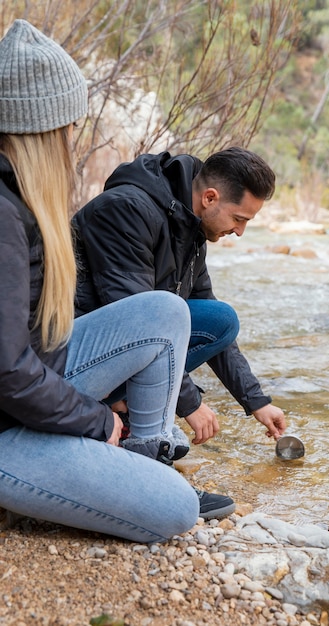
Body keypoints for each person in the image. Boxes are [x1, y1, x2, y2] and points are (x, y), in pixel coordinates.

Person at [0, 19, 234, 544]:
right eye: (68, 125)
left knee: (165, 311)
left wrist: (250, 398)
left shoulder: (20, 198)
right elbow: (7, 373)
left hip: (31, 386)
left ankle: (147, 453)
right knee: (173, 511)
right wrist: (95, 420)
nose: (72, 137)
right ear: (40, 129)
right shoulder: (3, 214)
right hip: (8, 421)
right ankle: (137, 468)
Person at [73, 146, 287, 457]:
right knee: (191, 318)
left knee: (221, 320)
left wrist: (256, 401)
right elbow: (140, 323)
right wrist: (191, 403)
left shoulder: (189, 226)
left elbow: (210, 318)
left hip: (118, 345)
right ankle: (142, 445)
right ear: (210, 198)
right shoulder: (127, 211)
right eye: (239, 219)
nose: (239, 232)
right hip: (71, 357)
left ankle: (127, 407)